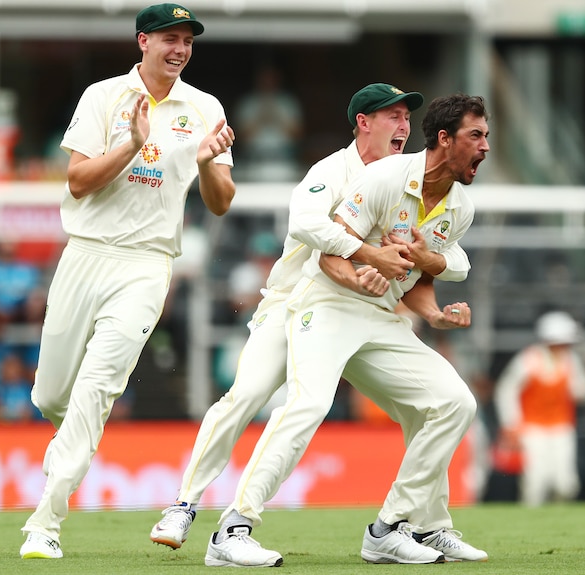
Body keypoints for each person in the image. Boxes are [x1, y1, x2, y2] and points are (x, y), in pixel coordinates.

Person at [150, 83, 470, 563]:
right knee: (248, 397)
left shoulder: (409, 179)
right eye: (393, 117)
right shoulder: (331, 170)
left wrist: (420, 291)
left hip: (366, 312)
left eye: (408, 119)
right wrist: (368, 256)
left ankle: (426, 525)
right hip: (295, 304)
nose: (404, 127)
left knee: (428, 408)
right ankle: (185, 506)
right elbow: (305, 224)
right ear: (363, 122)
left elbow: (442, 254)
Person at [19, 3, 236, 559]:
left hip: (147, 265)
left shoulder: (206, 107)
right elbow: (77, 182)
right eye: (170, 37)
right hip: (85, 254)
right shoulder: (102, 96)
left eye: (188, 40)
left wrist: (210, 161)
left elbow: (220, 204)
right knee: (51, 396)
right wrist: (131, 146)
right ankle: (66, 447)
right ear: (143, 41)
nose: (180, 49)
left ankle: (46, 521)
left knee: (98, 388)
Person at [493, 310, 585, 507]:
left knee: (566, 483)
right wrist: (511, 423)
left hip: (562, 427)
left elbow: (583, 391)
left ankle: (559, 522)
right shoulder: (528, 359)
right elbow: (506, 390)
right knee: (536, 481)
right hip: (532, 429)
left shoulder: (570, 361)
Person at [235, 65, 303, 181]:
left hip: (284, 157)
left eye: (271, 79)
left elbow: (298, 134)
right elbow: (240, 137)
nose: (268, 82)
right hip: (254, 158)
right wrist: (260, 118)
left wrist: (277, 117)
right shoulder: (248, 103)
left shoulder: (287, 102)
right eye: (265, 79)